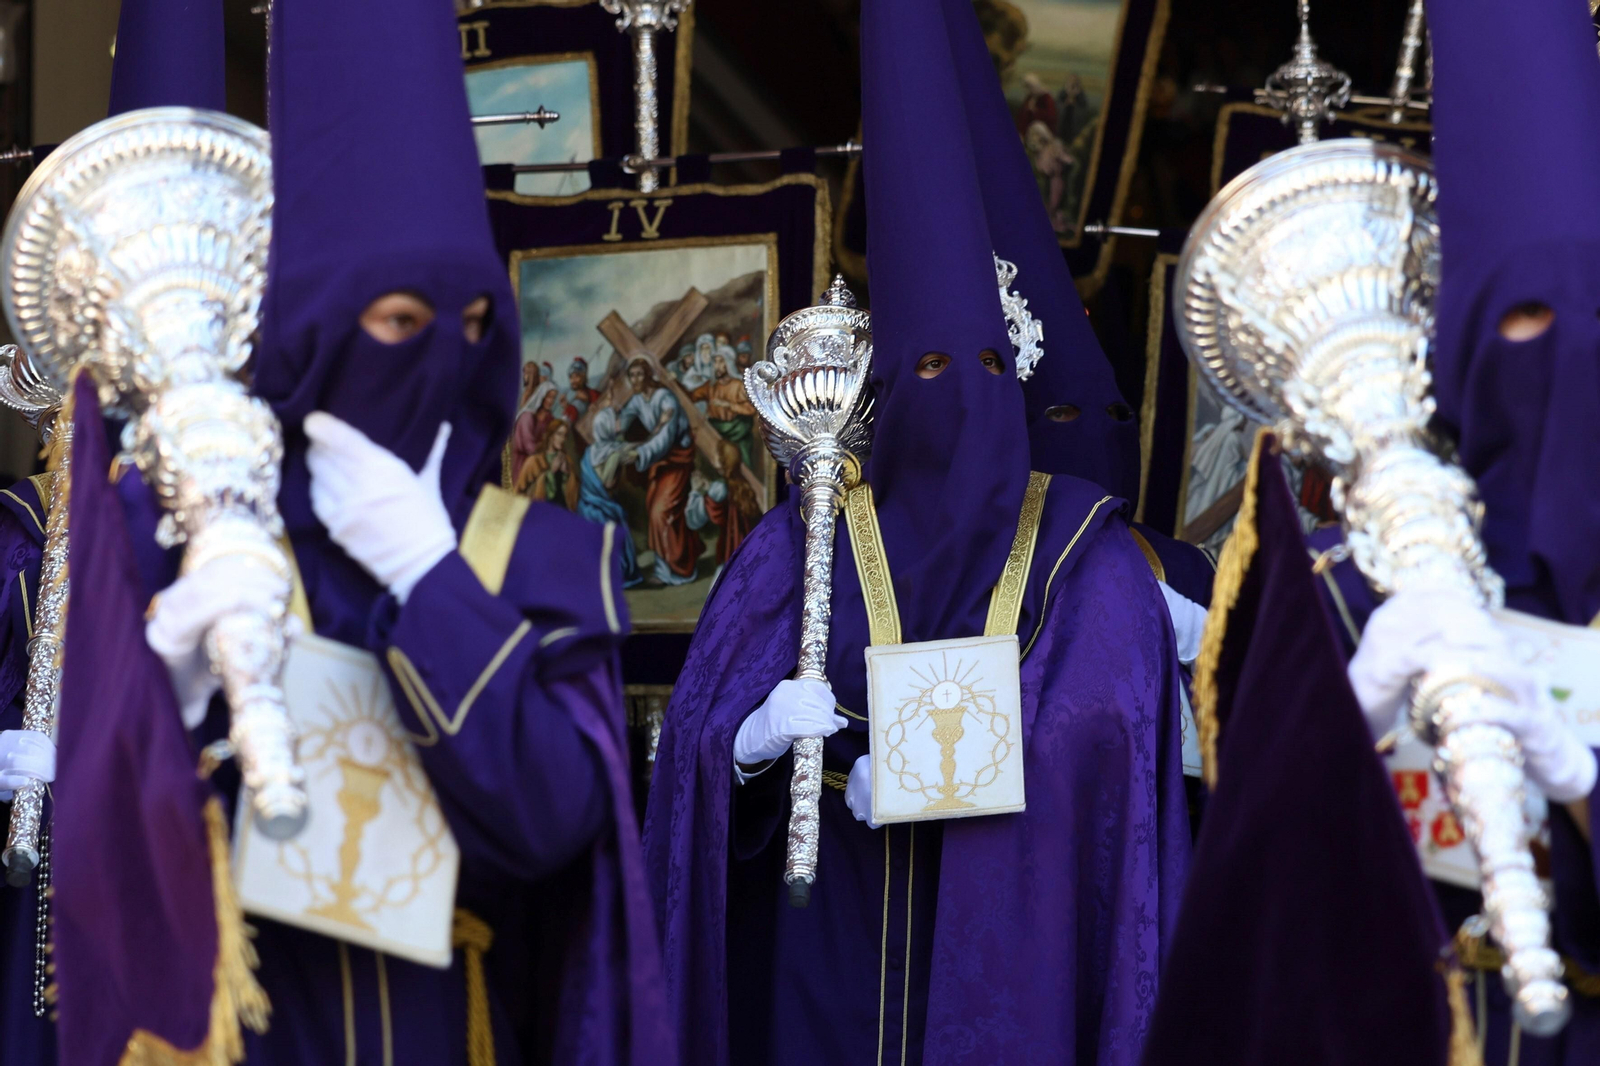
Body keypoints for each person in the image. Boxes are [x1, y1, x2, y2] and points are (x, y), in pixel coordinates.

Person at [48, 0, 673, 1060]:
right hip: (251, 1027)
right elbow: (104, 868)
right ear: (318, 320)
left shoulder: (536, 553)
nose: (440, 355)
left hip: (452, 1030)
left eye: (472, 324)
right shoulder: (186, 525)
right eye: (396, 323)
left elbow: (557, 822)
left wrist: (429, 576)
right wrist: (173, 681)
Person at [643, 3, 1189, 1065]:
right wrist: (746, 746)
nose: (959, 399)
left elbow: (1112, 754)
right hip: (821, 954)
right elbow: (696, 767)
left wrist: (941, 769)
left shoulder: (1088, 555)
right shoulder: (799, 544)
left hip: (1005, 960)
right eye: (931, 372)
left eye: (983, 372)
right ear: (886, 387)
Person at [617, 359, 698, 586]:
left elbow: (666, 438)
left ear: (648, 376)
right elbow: (623, 420)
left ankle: (680, 569)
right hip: (661, 463)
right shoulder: (637, 400)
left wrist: (639, 453)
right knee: (655, 508)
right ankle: (664, 571)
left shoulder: (665, 398)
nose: (635, 379)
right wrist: (614, 429)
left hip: (676, 460)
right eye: (631, 375)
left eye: (639, 374)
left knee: (661, 512)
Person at [579, 406, 643, 588]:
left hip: (586, 504)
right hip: (600, 507)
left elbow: (626, 447)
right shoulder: (613, 453)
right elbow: (606, 483)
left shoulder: (590, 451)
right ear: (605, 426)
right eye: (614, 420)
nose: (618, 423)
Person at [690, 354, 757, 474]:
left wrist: (729, 405)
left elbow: (751, 409)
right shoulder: (710, 386)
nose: (717, 366)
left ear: (729, 363)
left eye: (721, 362)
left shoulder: (738, 385)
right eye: (715, 362)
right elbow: (692, 396)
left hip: (737, 432)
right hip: (716, 431)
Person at [518, 420, 579, 510]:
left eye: (565, 435)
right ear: (550, 435)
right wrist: (551, 471)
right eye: (559, 434)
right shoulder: (534, 461)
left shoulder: (567, 461)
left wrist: (567, 474)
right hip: (539, 513)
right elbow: (520, 491)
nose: (562, 439)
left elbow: (573, 496)